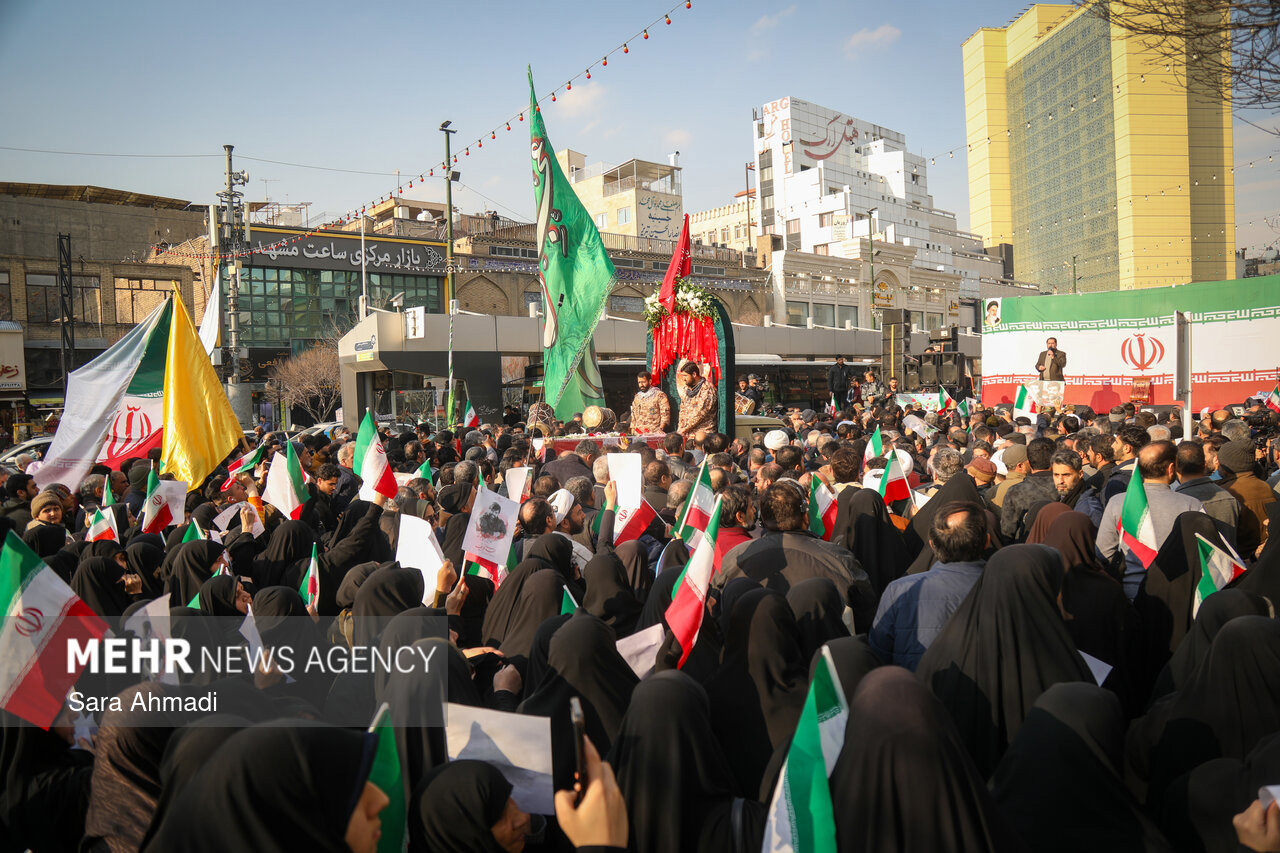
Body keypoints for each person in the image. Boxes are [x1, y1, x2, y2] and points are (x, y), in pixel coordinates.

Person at [869, 501, 989, 670]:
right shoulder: (1009, 589)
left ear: (932, 544)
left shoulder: (900, 591)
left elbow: (878, 657)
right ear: (987, 541)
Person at [1097, 440, 1206, 600]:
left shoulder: (1119, 502)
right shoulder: (1191, 504)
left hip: (1131, 594)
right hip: (1177, 597)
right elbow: (1203, 556)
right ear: (1171, 468)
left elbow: (1104, 552)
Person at [675, 362, 717, 438]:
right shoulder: (687, 389)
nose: (683, 379)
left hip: (703, 433)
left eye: (685, 376)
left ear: (694, 374)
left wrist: (682, 430)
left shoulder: (707, 389)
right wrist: (680, 429)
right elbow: (682, 410)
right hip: (687, 433)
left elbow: (699, 414)